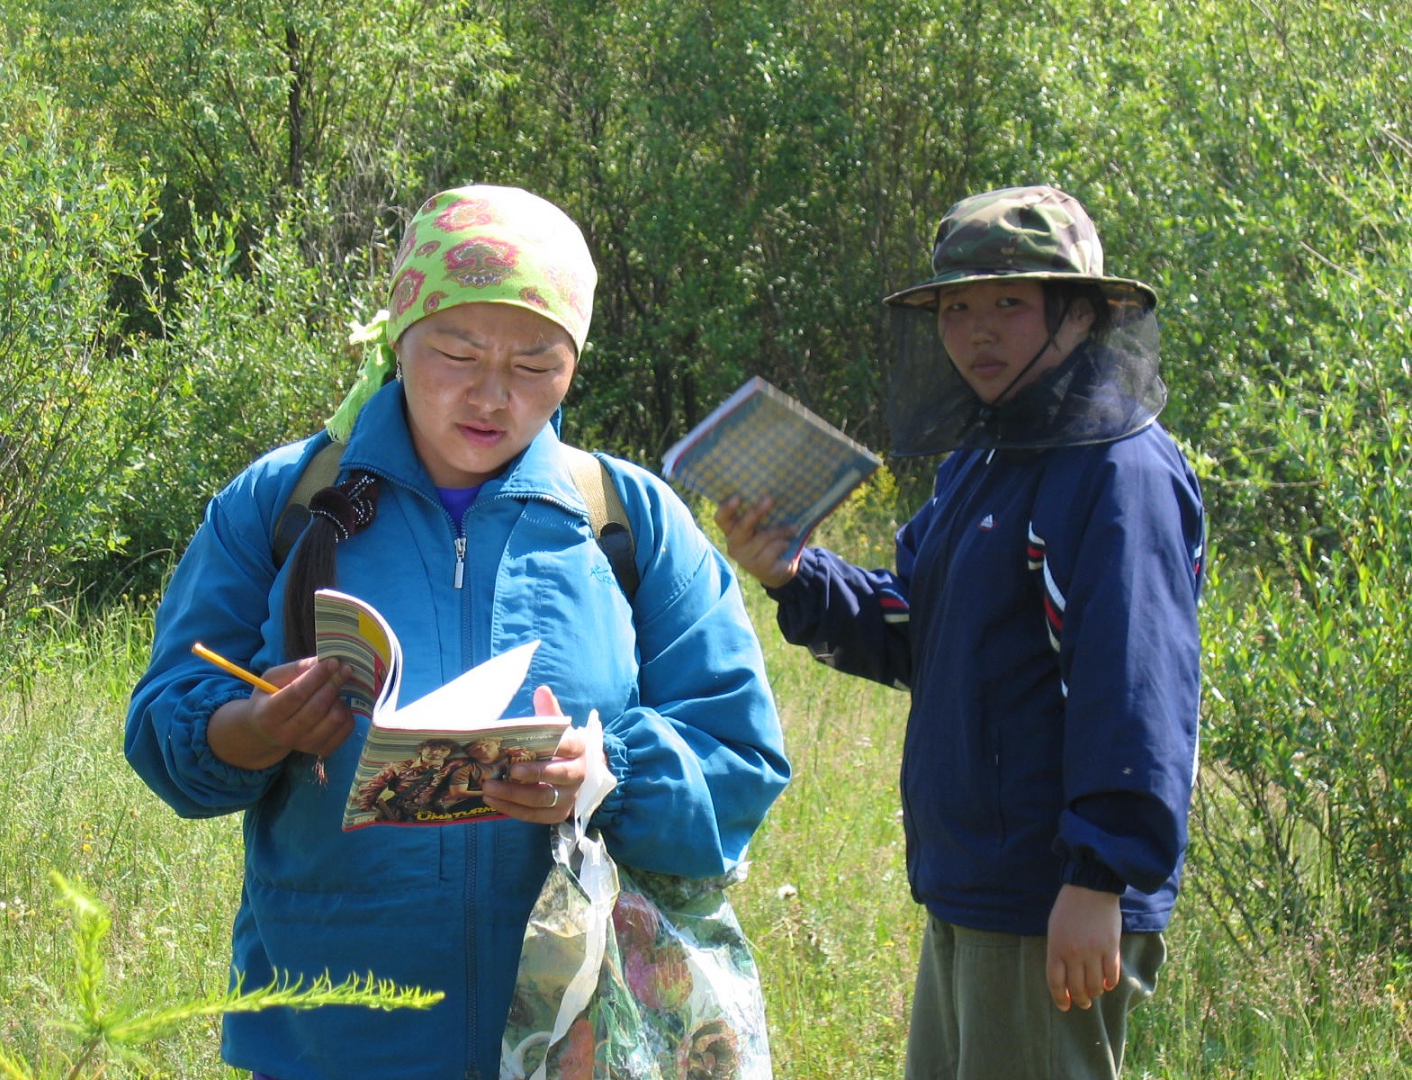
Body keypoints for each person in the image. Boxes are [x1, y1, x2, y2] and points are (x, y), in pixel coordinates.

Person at [125, 184, 789, 1080]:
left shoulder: (625, 520)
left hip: (578, 1039)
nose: (492, 395)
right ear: (399, 338)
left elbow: (742, 759)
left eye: (536, 364)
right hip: (335, 1038)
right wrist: (252, 728)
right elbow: (163, 720)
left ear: (574, 365)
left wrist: (606, 775)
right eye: (457, 352)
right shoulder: (282, 503)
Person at [716, 186, 1203, 1079]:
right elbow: (920, 629)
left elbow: (1136, 685)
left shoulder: (1117, 471)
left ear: (1081, 313)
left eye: (1009, 303)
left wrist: (1099, 878)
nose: (977, 331)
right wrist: (795, 572)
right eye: (956, 308)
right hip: (978, 888)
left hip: (1052, 900)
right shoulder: (984, 456)